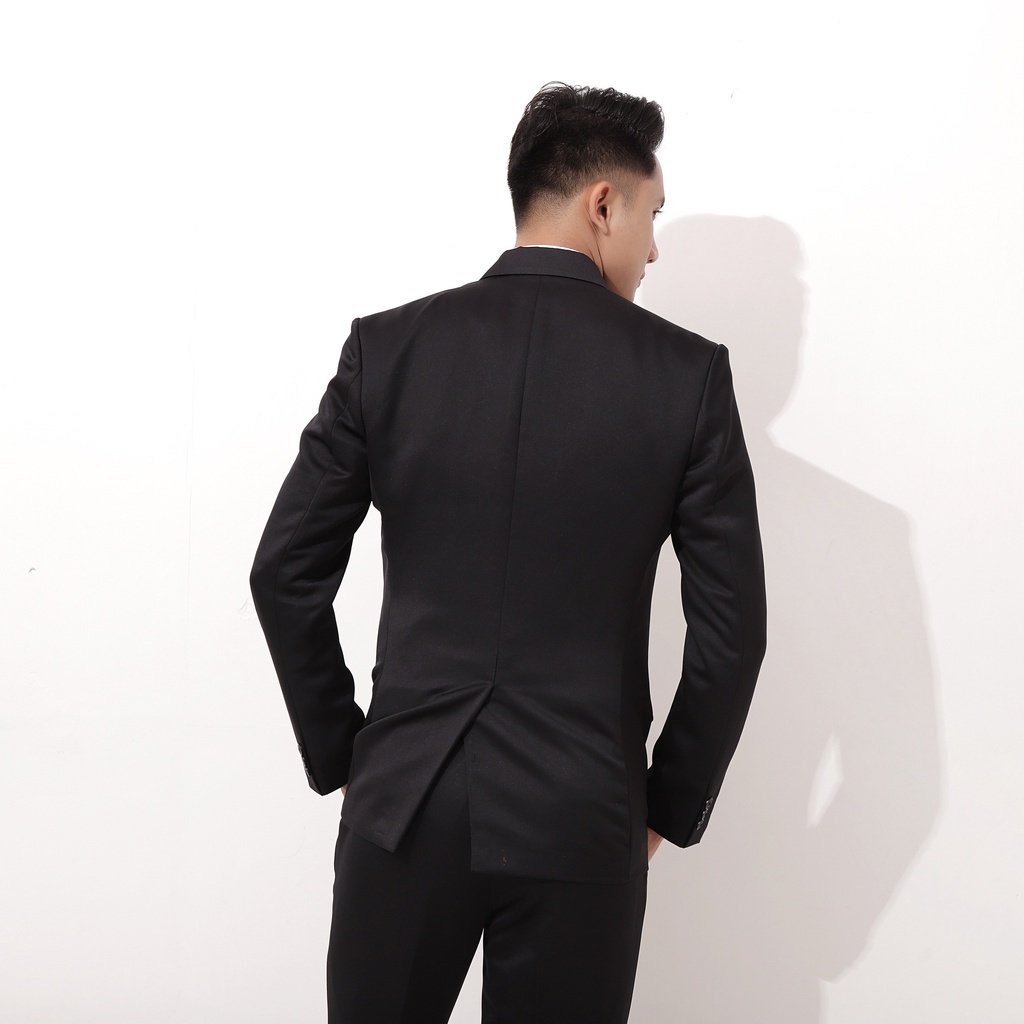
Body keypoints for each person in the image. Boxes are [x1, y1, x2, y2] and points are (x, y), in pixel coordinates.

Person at [249, 81, 767, 1024]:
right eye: (652, 216)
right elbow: (731, 634)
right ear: (602, 204)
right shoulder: (687, 376)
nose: (653, 250)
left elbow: (284, 573)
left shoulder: (388, 350)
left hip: (404, 800)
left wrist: (351, 755)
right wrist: (663, 803)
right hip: (583, 809)